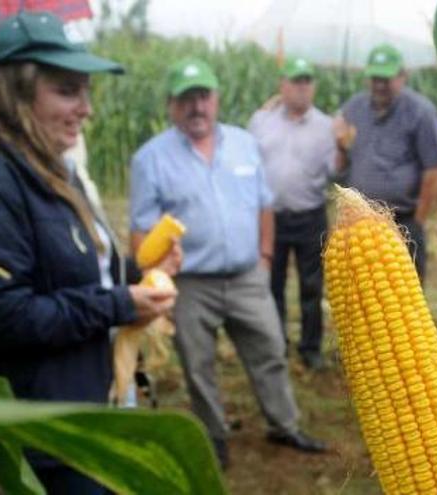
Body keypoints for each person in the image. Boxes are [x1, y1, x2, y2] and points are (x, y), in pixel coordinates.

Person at [0, 12, 178, 493]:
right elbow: (8, 316)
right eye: (68, 91)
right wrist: (121, 304)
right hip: (45, 433)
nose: (86, 108)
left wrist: (138, 273)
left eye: (86, 92)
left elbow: (75, 276)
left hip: (86, 406)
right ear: (14, 95)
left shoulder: (54, 172)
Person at [130, 58, 326, 469]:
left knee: (270, 348)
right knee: (198, 365)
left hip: (246, 276)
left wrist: (266, 255)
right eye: (186, 99)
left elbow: (263, 205)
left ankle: (284, 423)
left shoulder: (243, 143)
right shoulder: (151, 158)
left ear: (217, 99)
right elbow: (141, 231)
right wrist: (156, 275)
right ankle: (214, 436)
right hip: (190, 283)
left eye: (203, 96)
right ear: (170, 105)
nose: (196, 106)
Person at [248, 57, 336, 370]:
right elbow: (250, 164)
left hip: (311, 216)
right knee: (272, 284)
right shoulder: (261, 121)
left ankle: (311, 348)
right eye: (295, 81)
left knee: (312, 287)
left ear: (313, 86)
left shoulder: (327, 127)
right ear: (282, 85)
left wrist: (345, 148)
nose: (301, 88)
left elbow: (335, 172)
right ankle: (277, 345)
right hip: (271, 218)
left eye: (307, 81)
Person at [334, 43, 437, 281]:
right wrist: (340, 145)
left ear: (402, 76)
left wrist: (418, 221)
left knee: (403, 297)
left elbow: (434, 169)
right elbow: (341, 166)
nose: (380, 85)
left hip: (402, 222)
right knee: (363, 292)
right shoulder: (353, 108)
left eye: (386, 78)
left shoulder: (420, 112)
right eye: (375, 78)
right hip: (360, 224)